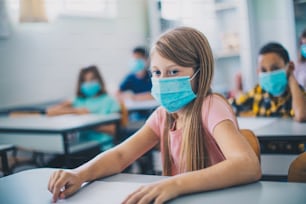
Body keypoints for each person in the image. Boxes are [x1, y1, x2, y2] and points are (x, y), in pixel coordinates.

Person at [48, 27, 261, 203]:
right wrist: (79, 173)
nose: (163, 80)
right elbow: (121, 155)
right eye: (157, 73)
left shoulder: (211, 106)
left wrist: (175, 183)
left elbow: (247, 165)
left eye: (174, 71)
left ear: (200, 72)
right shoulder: (163, 115)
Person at [46, 65, 121, 151]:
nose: (88, 84)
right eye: (85, 81)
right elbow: (50, 112)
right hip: (79, 145)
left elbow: (113, 129)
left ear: (99, 80)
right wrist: (75, 111)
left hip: (101, 146)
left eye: (92, 80)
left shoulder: (109, 100)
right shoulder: (78, 100)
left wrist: (89, 121)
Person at [230, 42, 306, 122]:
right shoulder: (258, 92)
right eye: (263, 70)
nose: (269, 74)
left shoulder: (297, 94)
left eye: (275, 68)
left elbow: (301, 115)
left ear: (290, 67)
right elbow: (233, 108)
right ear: (258, 72)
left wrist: (291, 77)